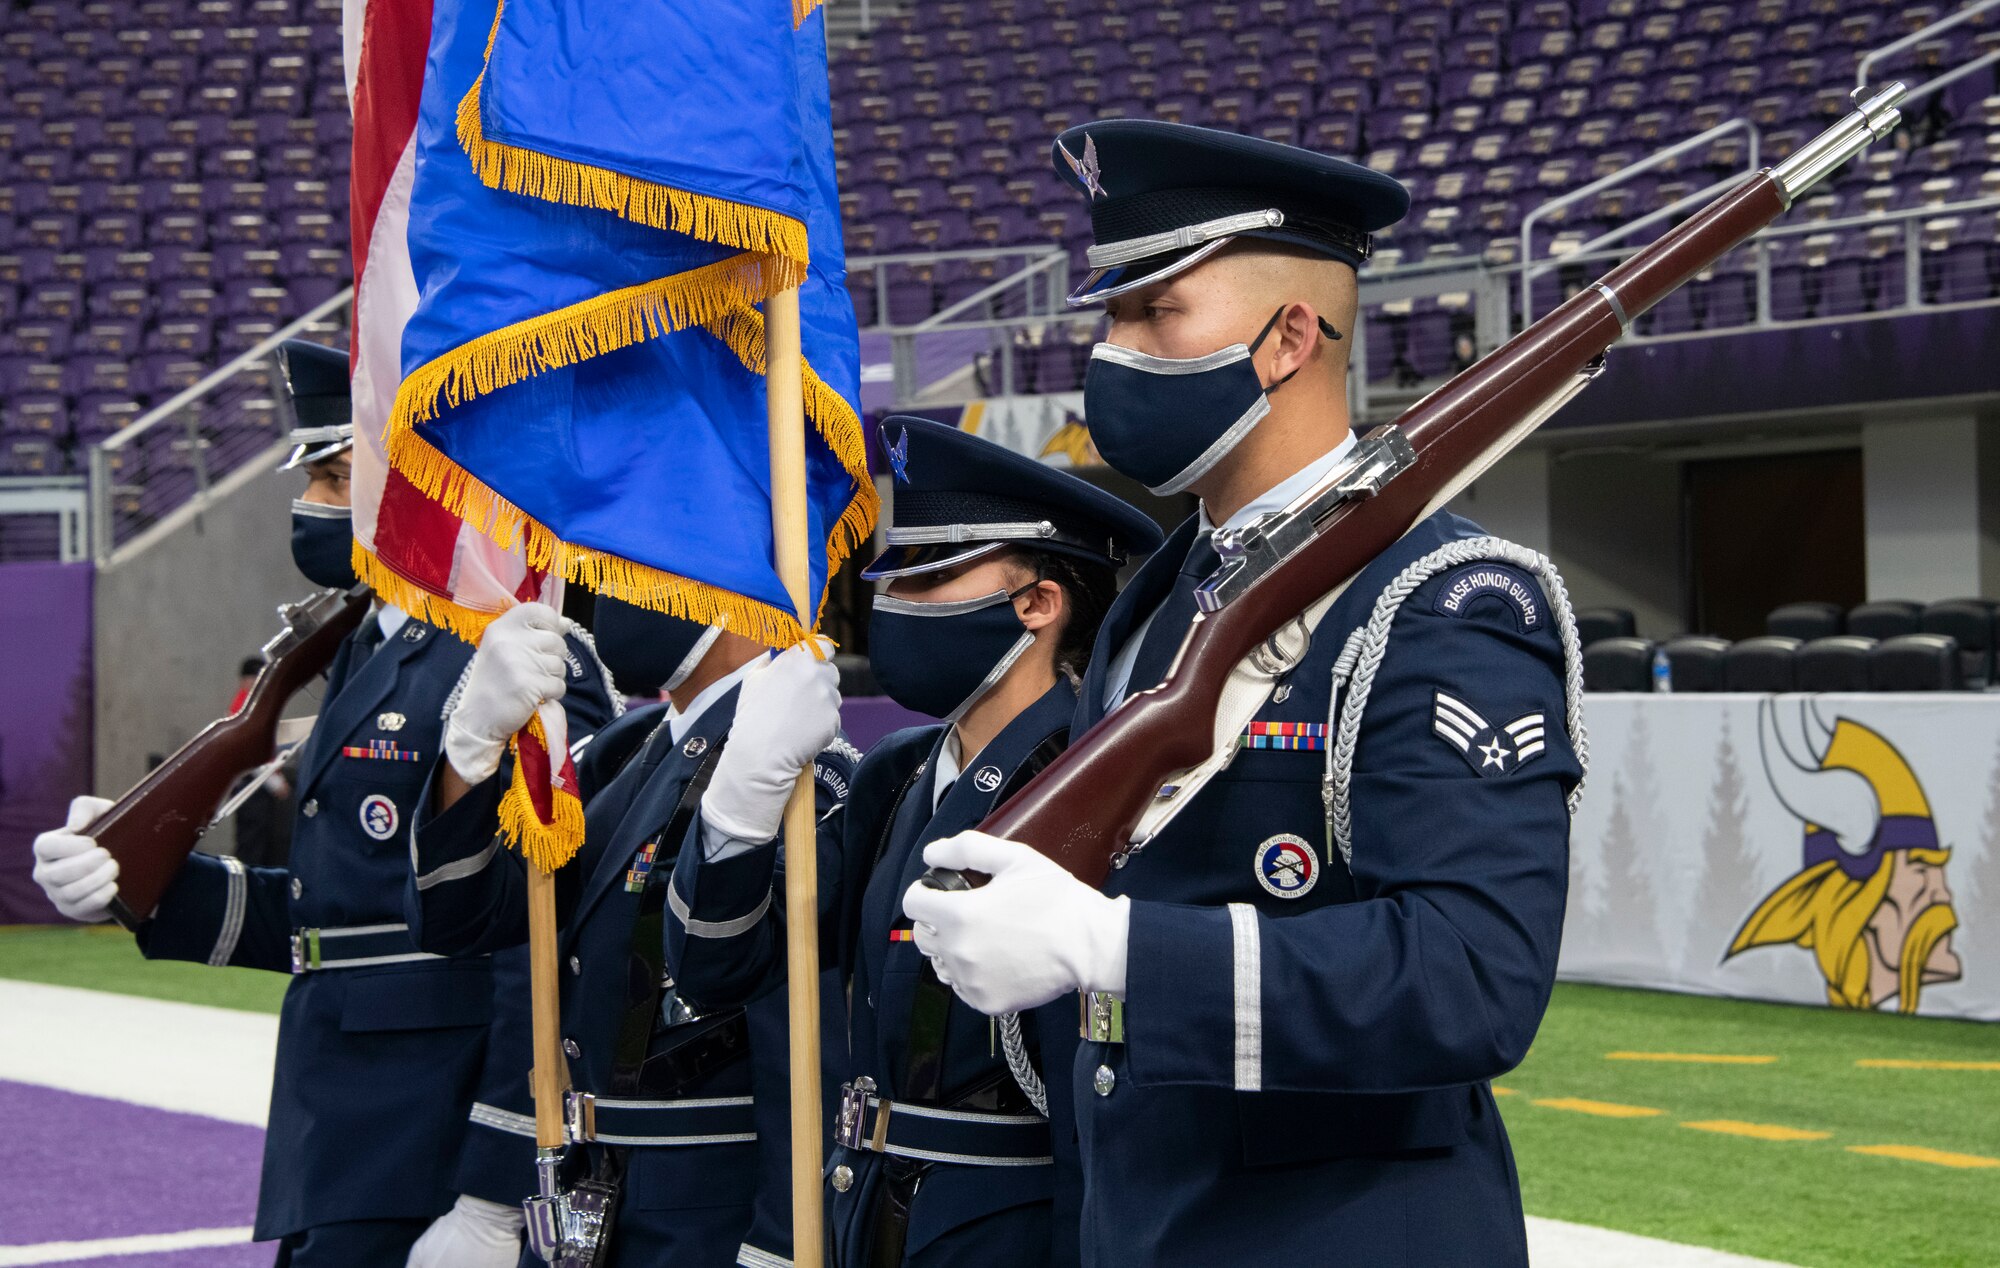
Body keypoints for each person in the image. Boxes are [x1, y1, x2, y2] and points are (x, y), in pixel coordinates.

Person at [902, 120, 1588, 1267]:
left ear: (1284, 338)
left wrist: (1112, 945)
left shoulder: (1445, 597)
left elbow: (1472, 976)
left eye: (1153, 313)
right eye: (1110, 315)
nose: (1110, 353)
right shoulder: (1161, 600)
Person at [30, 339, 619, 1268]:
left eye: (342, 477)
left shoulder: (517, 653)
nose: (314, 506)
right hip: (339, 1126)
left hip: (434, 1135)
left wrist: (497, 1191)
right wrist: (135, 876)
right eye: (317, 479)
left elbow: (545, 942)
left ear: (414, 481)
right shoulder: (362, 647)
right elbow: (335, 913)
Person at [664, 417, 1159, 1268]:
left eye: (931, 577)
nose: (892, 603)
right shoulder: (894, 777)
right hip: (873, 1215)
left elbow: (1104, 1099)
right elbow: (718, 968)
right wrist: (737, 808)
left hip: (1011, 1234)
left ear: (1038, 603)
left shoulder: (1097, 778)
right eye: (892, 575)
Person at [407, 590, 855, 1268]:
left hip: (704, 1219)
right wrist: (469, 755)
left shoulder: (796, 771)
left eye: (646, 566)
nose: (619, 589)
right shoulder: (620, 753)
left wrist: (785, 1245)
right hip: (590, 1195)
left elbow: (798, 1044)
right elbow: (461, 917)